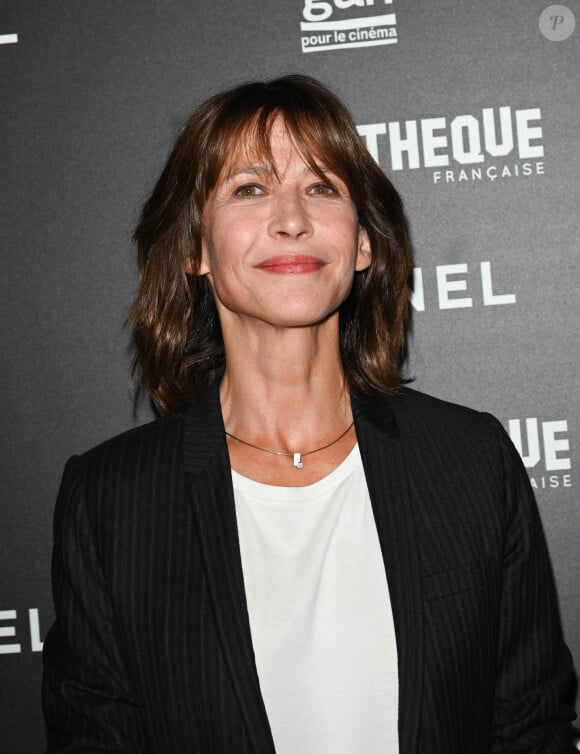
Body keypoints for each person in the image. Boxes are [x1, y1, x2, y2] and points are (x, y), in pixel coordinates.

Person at [42, 75, 576, 753]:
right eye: (249, 188)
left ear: (362, 245)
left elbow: (531, 729)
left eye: (321, 186)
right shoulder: (112, 502)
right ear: (194, 249)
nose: (290, 217)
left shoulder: (471, 460)